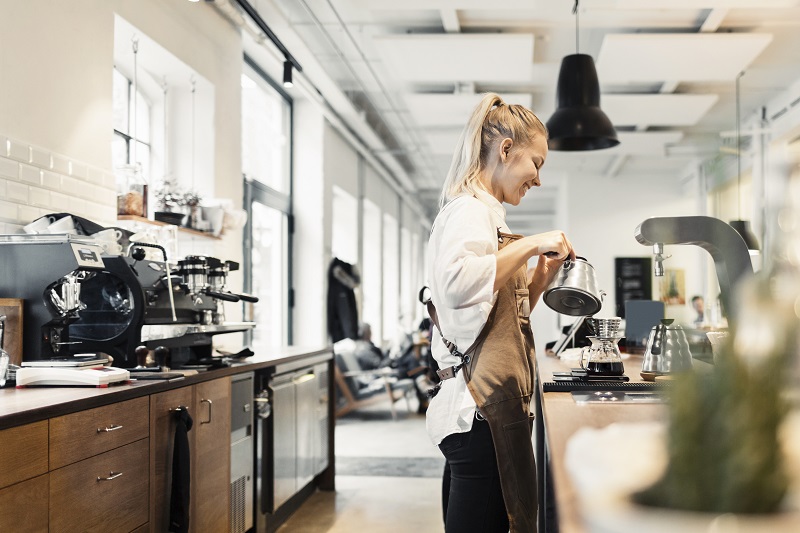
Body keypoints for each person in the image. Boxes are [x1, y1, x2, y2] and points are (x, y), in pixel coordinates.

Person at [425, 93, 575, 533]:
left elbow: (488, 314)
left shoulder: (486, 216)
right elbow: (455, 287)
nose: (539, 179)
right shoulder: (470, 210)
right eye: (538, 163)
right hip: (479, 414)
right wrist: (533, 243)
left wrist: (539, 279)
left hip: (485, 413)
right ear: (506, 150)